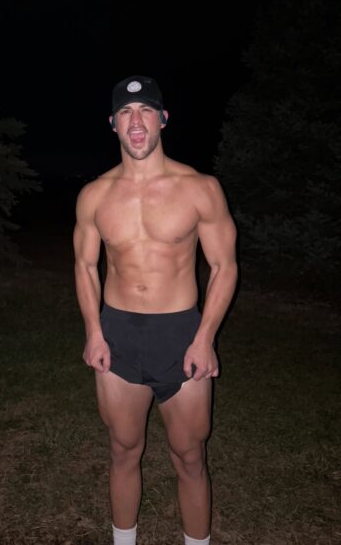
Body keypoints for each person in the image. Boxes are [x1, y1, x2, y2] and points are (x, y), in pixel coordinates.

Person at [73, 75, 237, 545]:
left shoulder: (200, 188)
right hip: (118, 335)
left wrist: (204, 339)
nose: (136, 121)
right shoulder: (95, 195)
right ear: (113, 124)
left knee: (190, 458)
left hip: (181, 337)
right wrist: (94, 332)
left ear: (163, 119)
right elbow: (85, 266)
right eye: (125, 112)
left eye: (145, 110)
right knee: (123, 450)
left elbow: (224, 266)